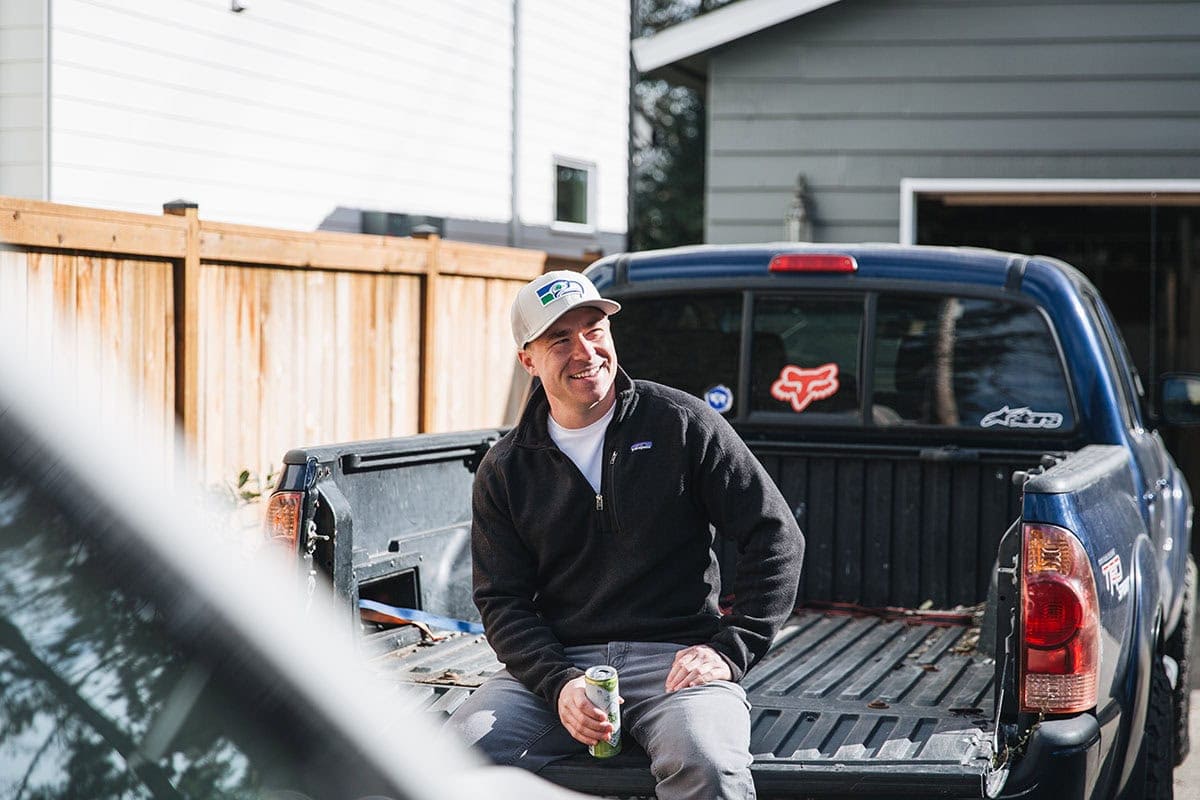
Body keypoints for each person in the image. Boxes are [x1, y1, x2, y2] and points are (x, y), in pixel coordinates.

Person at [448, 270, 804, 799]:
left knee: (708, 763)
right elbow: (502, 600)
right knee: (449, 760)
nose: (585, 351)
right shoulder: (506, 468)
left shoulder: (682, 423)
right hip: (564, 663)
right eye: (560, 339)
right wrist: (558, 682)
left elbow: (775, 535)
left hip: (676, 662)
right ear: (528, 360)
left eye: (594, 330)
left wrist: (731, 649)